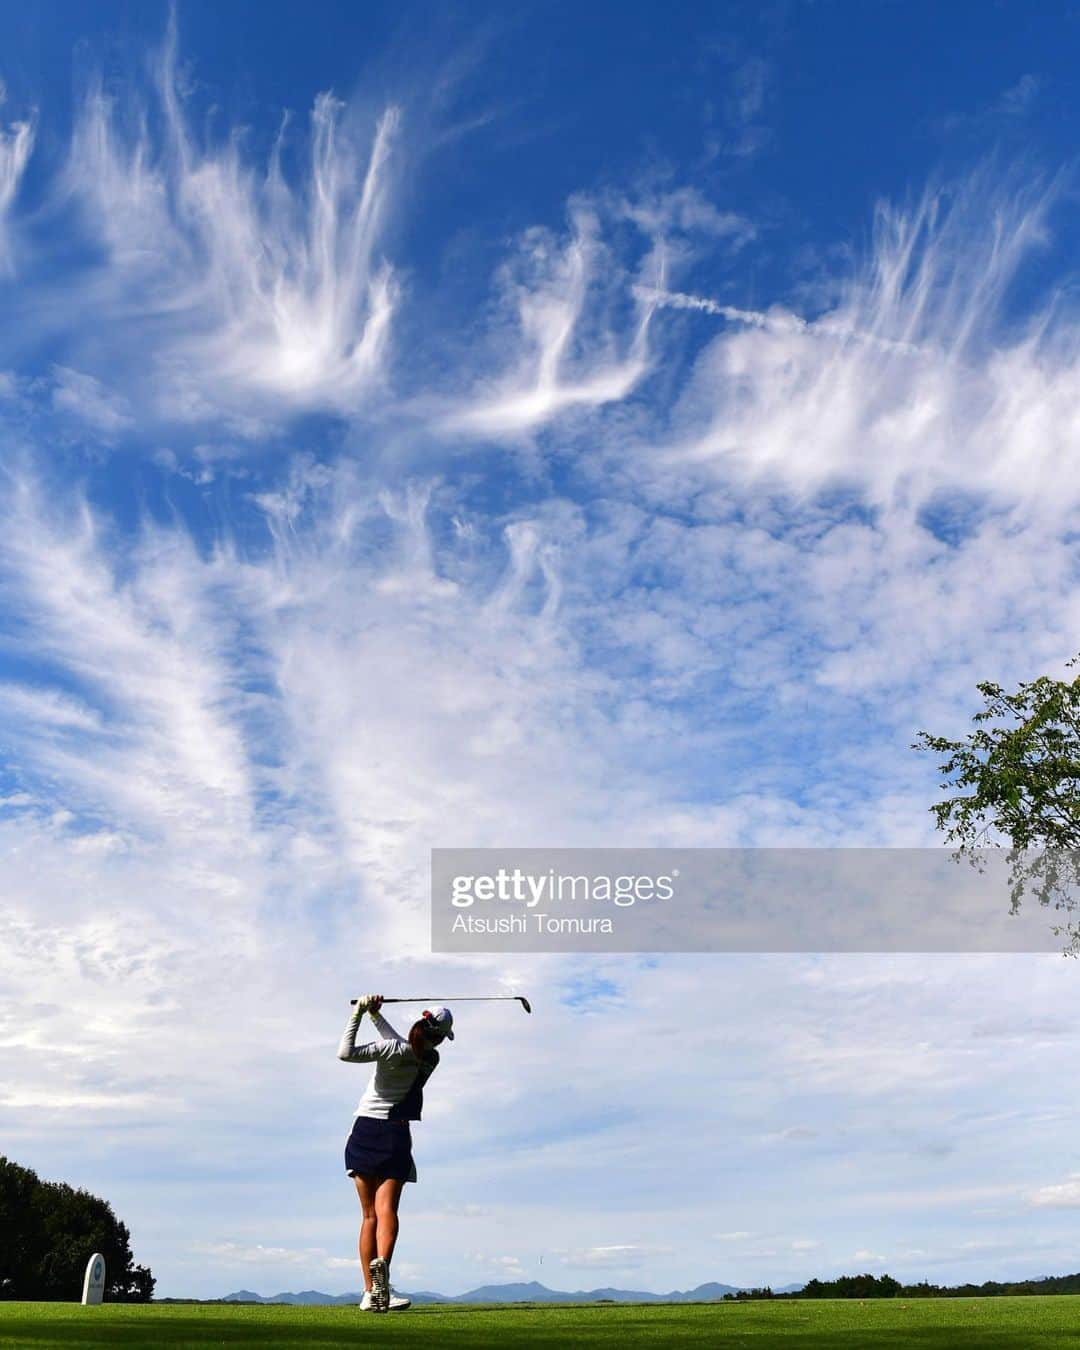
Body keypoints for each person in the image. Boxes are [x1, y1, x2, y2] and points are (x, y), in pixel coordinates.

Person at [337, 994, 454, 1313]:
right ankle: (382, 1276)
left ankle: (368, 1291)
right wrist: (374, 1015)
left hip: (364, 1131)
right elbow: (401, 1044)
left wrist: (360, 1012)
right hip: (396, 1134)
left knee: (368, 1215)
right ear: (440, 1037)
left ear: (418, 1022)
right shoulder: (431, 1059)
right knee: (387, 1208)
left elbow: (345, 1053)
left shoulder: (390, 1049)